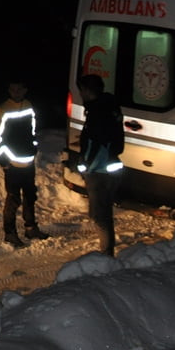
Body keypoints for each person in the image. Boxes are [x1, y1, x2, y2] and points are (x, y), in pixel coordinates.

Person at [0, 80, 50, 248]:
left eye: (19, 89)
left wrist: (34, 148)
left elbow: (33, 130)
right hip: (12, 163)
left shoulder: (29, 106)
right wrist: (3, 161)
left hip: (28, 161)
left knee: (30, 196)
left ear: (25, 90)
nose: (15, 92)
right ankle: (10, 234)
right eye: (12, 88)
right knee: (13, 199)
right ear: (9, 89)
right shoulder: (1, 110)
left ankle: (31, 228)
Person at [75, 73, 126, 256]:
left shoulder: (98, 112)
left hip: (99, 171)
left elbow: (95, 143)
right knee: (103, 211)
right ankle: (107, 248)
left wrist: (85, 165)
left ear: (88, 91)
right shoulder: (110, 106)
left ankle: (106, 253)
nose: (80, 94)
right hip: (111, 168)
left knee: (100, 215)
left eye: (82, 90)